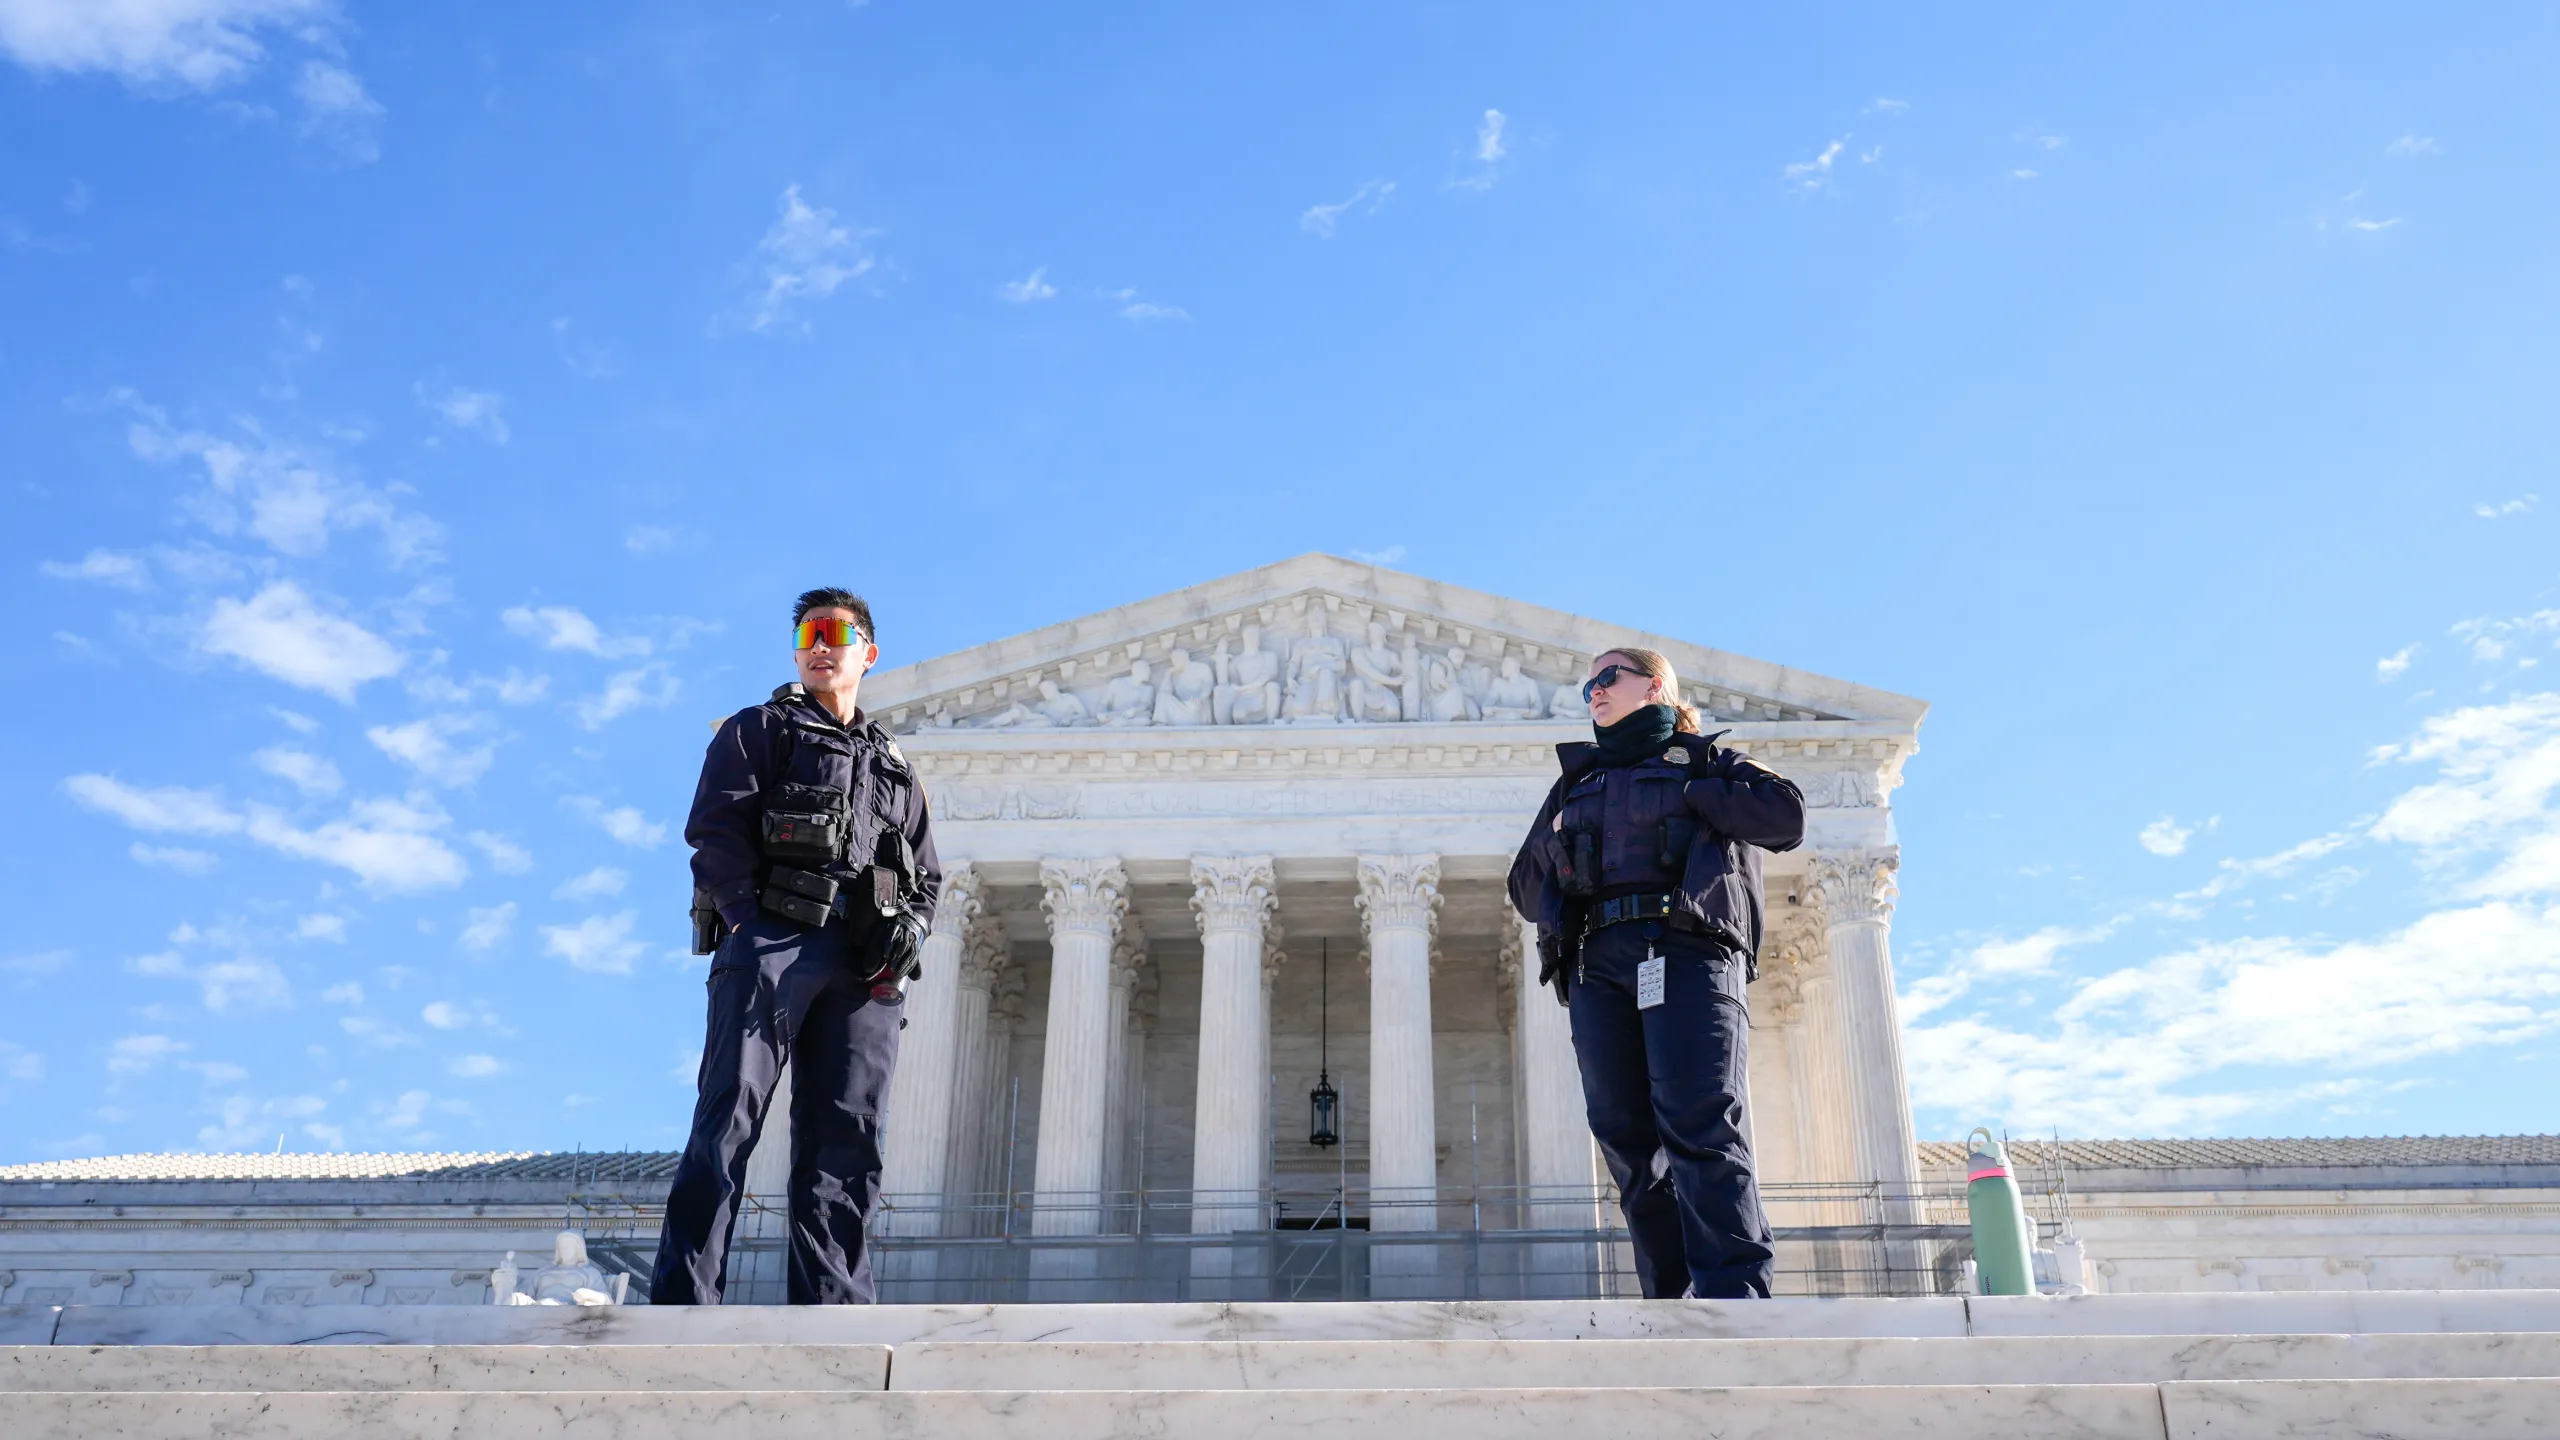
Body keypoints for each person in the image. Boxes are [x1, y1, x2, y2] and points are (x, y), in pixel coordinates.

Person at [651, 587, 942, 1305]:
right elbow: (715, 834)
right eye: (807, 635)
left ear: (866, 653)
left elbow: (928, 873)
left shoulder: (895, 767)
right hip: (777, 941)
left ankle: (835, 1305)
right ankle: (687, 1299)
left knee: (849, 1137)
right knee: (730, 1118)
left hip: (863, 965)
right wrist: (748, 924)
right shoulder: (759, 729)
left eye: (834, 634)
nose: (818, 647)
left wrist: (913, 930)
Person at [1506, 647, 1804, 1299]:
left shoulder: (1707, 761)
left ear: (1658, 687)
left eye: (1609, 677)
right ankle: (1667, 1295)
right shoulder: (1575, 783)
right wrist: (1556, 839)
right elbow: (1525, 892)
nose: (1594, 692)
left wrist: (1697, 790)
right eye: (1588, 685)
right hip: (1598, 961)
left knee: (1696, 1114)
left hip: (1685, 948)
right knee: (1623, 1131)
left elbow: (1787, 819)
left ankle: (1734, 1289)